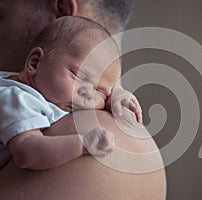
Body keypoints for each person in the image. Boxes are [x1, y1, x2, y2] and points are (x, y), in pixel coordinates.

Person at [0, 0, 166, 199]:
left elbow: (28, 152)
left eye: (1, 16)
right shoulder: (27, 97)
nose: (89, 98)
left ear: (63, 10)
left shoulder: (89, 125)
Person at [0, 16, 142, 170]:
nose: (89, 94)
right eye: (79, 76)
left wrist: (116, 94)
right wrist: (83, 144)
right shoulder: (18, 99)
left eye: (101, 92)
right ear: (35, 62)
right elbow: (27, 153)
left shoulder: (22, 83)